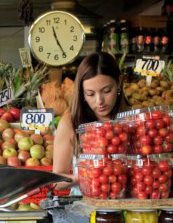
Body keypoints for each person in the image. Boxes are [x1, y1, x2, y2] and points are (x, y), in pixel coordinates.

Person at [52, 52, 129, 189]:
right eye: (90, 94)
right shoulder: (71, 122)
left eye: (106, 91)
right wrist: (88, 175)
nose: (99, 101)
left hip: (128, 203)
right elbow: (56, 181)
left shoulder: (133, 119)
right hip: (85, 206)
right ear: (82, 92)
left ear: (119, 83)